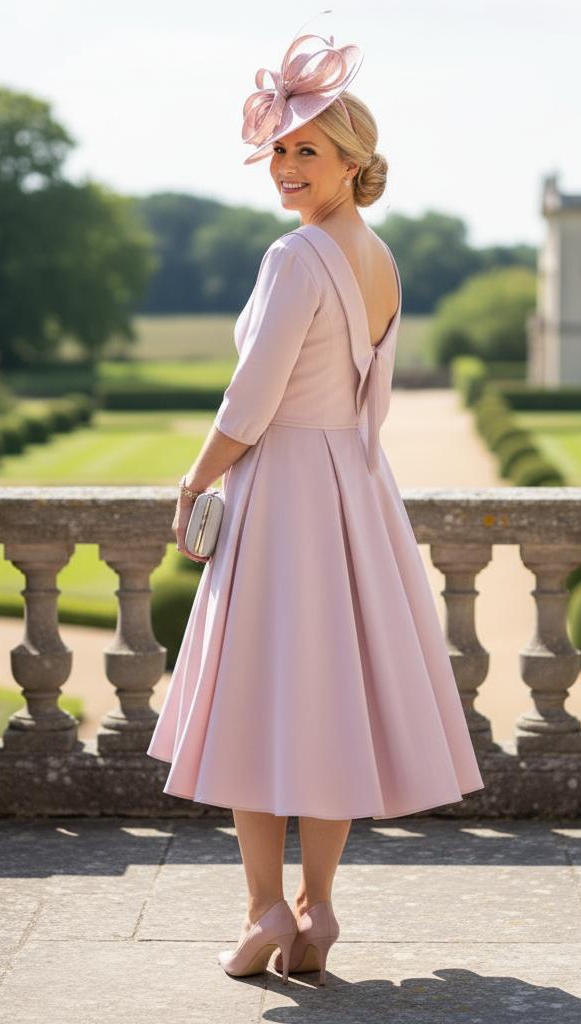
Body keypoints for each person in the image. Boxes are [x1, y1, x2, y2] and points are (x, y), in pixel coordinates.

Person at [146, 23, 485, 987]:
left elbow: (251, 400)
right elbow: (365, 397)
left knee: (257, 705)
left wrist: (196, 477)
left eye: (308, 151)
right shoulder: (378, 257)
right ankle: (318, 907)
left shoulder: (295, 258)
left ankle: (262, 912)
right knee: (328, 704)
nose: (288, 168)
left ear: (351, 161)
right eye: (281, 151)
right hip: (355, 493)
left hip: (286, 493)